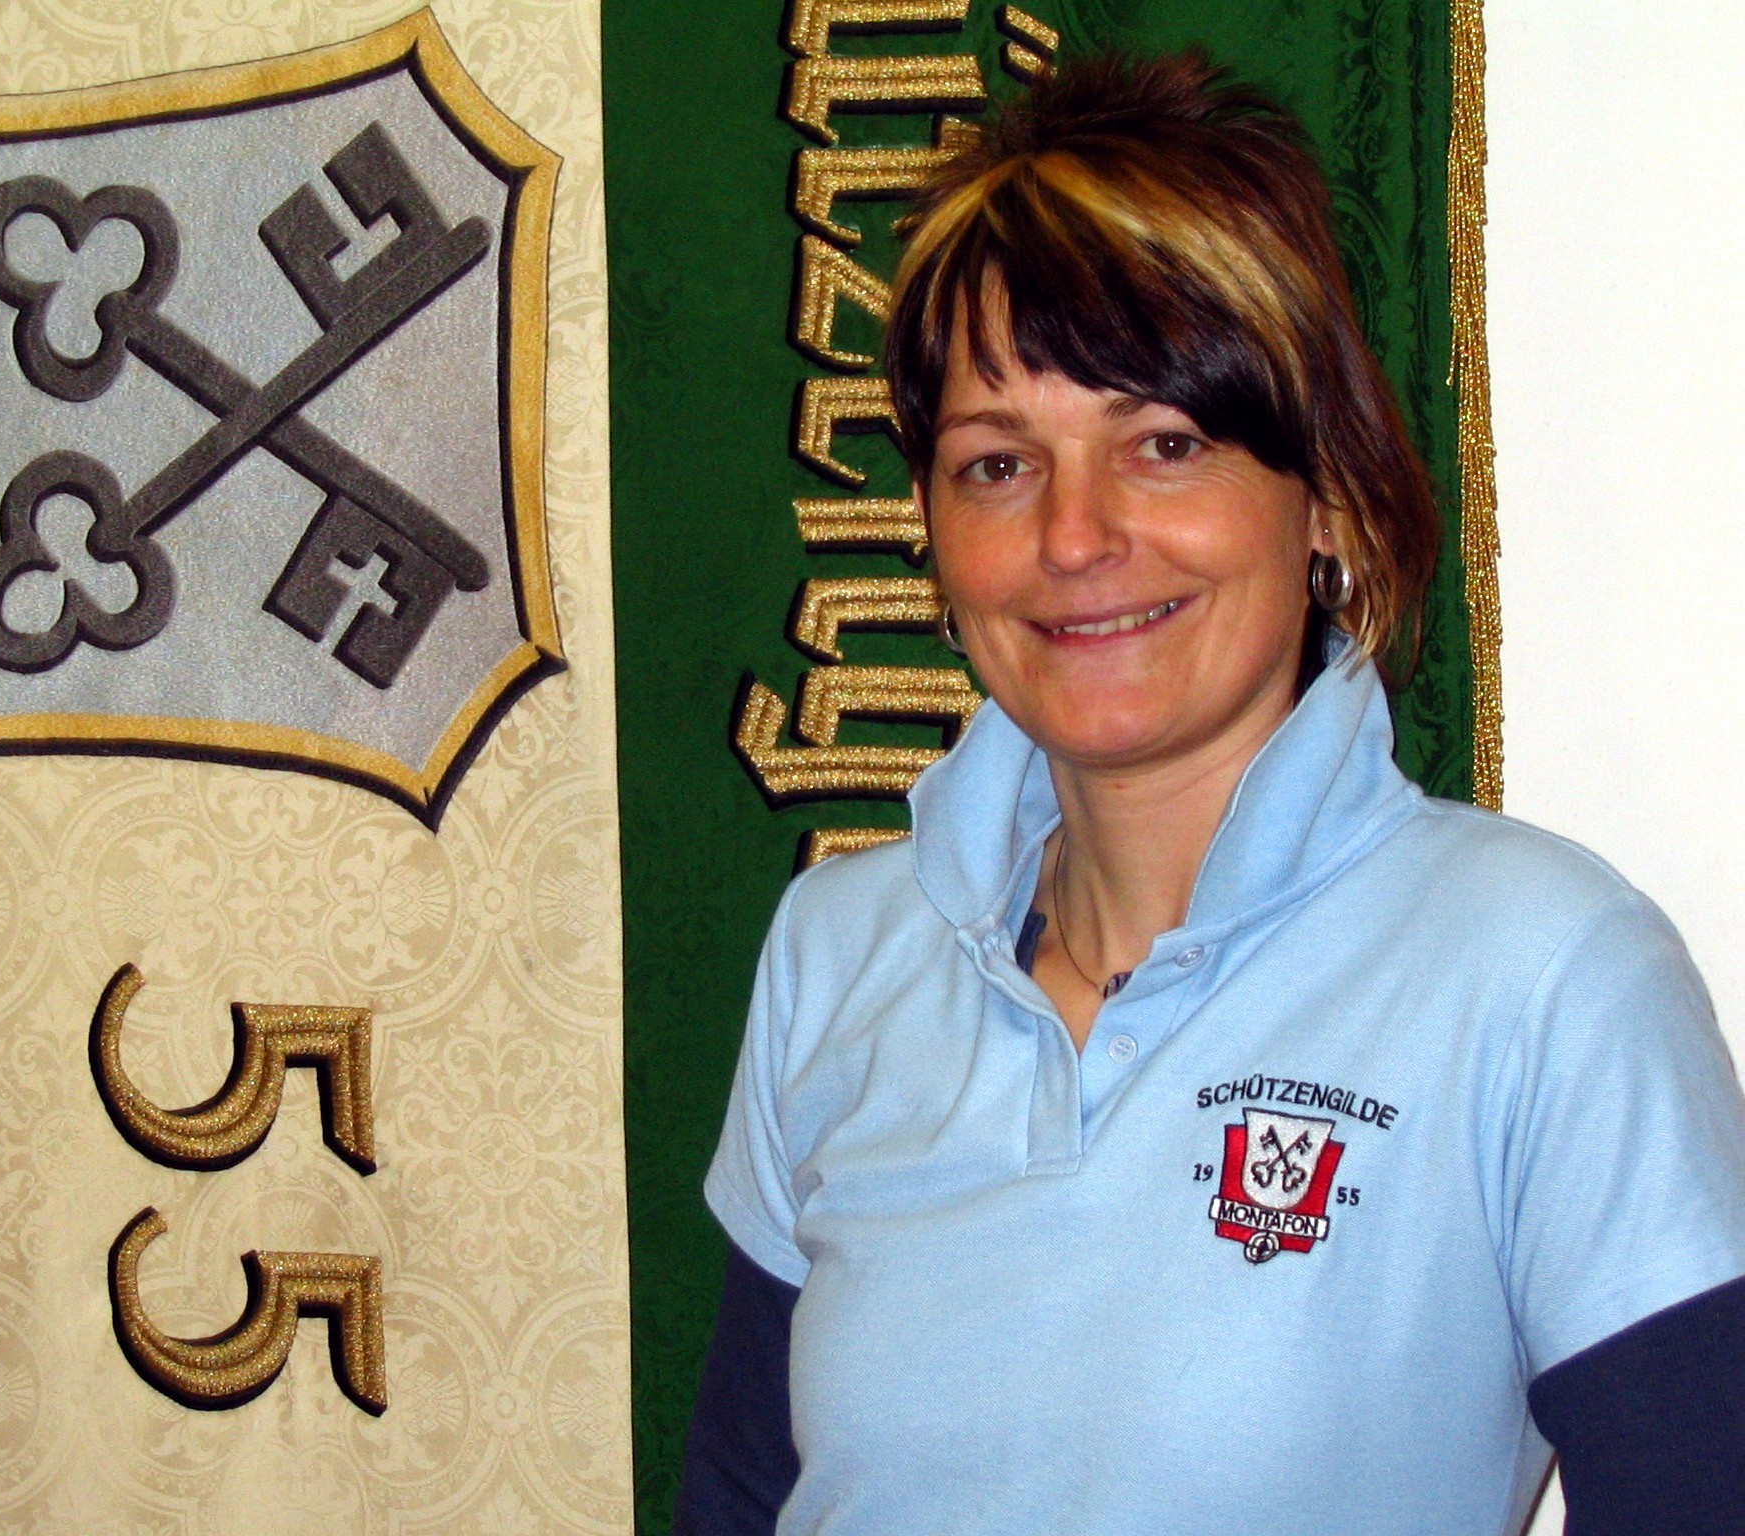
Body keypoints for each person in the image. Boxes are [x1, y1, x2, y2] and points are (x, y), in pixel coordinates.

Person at [676, 51, 1745, 1536]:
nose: (1074, 536)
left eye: (1164, 445)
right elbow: (738, 1503)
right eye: (997, 465)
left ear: (1329, 497)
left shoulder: (1546, 972)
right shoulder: (837, 953)